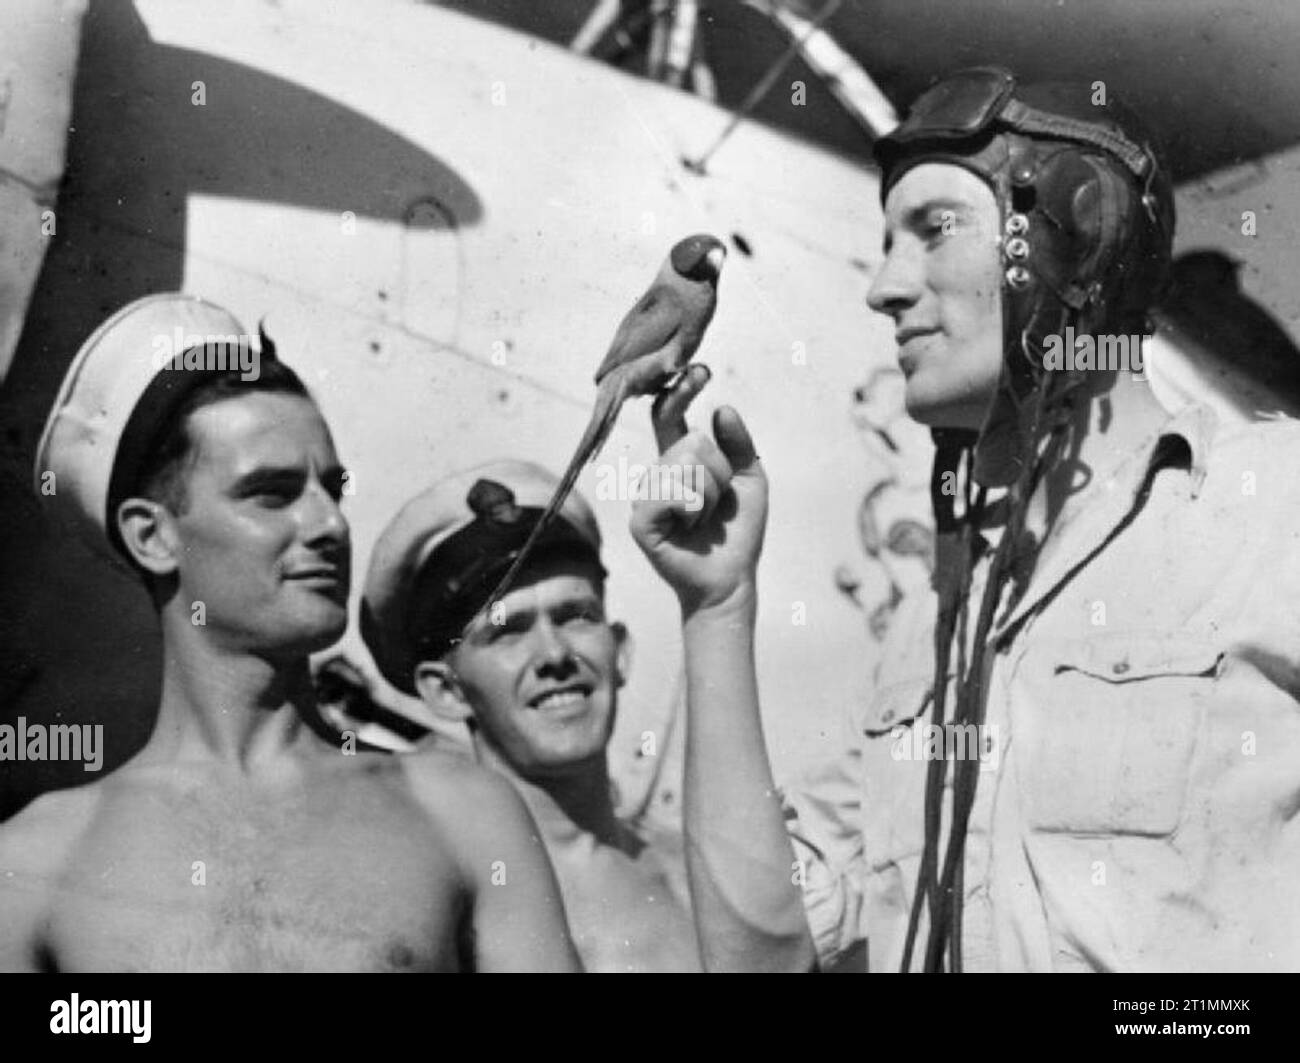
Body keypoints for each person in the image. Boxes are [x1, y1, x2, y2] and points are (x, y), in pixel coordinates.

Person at [632, 66, 1300, 972]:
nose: (883, 288)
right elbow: (762, 955)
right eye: (885, 243)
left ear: (1082, 238)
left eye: (934, 231)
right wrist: (717, 610)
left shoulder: (1273, 502)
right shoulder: (931, 626)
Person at [0, 294, 578, 972]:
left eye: (331, 487)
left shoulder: (465, 814)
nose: (329, 523)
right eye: (272, 493)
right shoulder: (33, 864)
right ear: (152, 535)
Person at [360, 460, 700, 971]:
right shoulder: (423, 912)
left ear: (620, 651)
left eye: (575, 617)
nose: (555, 655)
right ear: (446, 691)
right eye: (509, 630)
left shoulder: (692, 879)